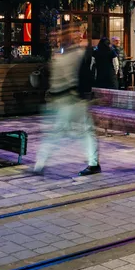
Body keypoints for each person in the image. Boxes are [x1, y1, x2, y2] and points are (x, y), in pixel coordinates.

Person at [33, 27, 101, 176]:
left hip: (70, 101)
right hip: (67, 101)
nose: (57, 39)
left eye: (60, 37)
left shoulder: (75, 55)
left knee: (59, 132)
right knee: (82, 132)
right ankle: (93, 163)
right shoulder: (68, 55)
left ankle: (40, 164)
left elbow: (80, 77)